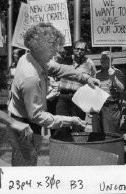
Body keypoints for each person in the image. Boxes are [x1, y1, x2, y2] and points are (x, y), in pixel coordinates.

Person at [8, 23, 99, 166]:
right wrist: (71, 120)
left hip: (27, 120)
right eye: (52, 48)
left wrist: (86, 78)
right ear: (39, 47)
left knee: (28, 162)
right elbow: (37, 116)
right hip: (25, 123)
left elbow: (60, 69)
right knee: (24, 168)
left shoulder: (32, 57)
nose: (56, 52)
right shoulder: (30, 77)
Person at [54, 39, 97, 137]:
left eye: (82, 49)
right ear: (73, 49)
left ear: (85, 50)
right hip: (63, 96)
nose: (79, 51)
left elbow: (93, 79)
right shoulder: (65, 60)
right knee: (61, 124)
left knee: (78, 127)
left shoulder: (89, 63)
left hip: (79, 98)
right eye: (77, 49)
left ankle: (77, 150)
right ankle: (63, 148)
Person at [92, 51, 125, 134]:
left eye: (106, 58)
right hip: (97, 107)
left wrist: (114, 78)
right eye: (102, 58)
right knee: (96, 133)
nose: (103, 60)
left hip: (110, 106)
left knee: (109, 133)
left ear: (112, 60)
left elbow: (122, 89)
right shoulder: (97, 74)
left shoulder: (117, 72)